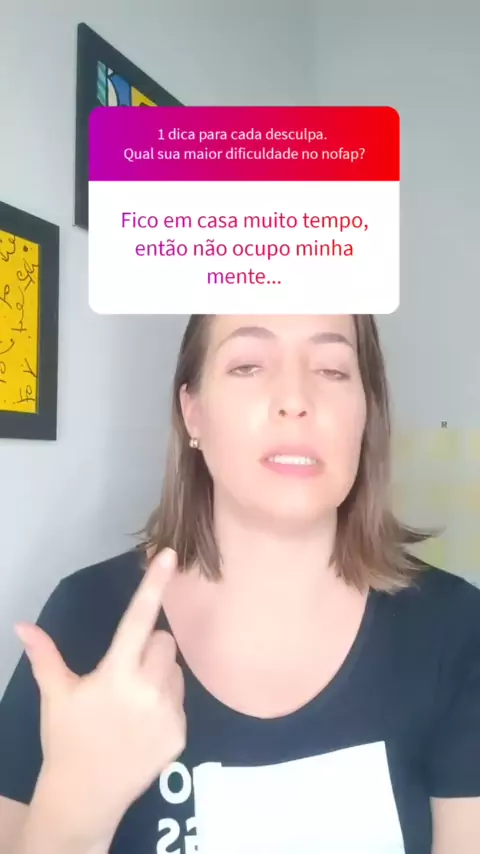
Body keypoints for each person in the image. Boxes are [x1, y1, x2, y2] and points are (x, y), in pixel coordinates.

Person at [0, 314, 479, 854]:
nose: (295, 399)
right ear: (193, 411)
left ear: (366, 413)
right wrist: (74, 807)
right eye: (248, 365)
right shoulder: (86, 617)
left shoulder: (457, 629)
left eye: (332, 369)